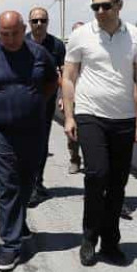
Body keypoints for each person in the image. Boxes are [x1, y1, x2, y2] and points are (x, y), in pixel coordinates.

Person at [62, 0, 137, 267]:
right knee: (97, 174)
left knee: (117, 183)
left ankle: (111, 242)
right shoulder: (81, 35)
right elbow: (69, 77)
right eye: (95, 6)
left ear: (119, 5)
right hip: (91, 115)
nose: (100, 11)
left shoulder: (136, 36)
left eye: (105, 6)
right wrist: (70, 116)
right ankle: (89, 238)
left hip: (124, 118)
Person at [0, 11, 58, 272]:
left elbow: (52, 83)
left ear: (23, 29)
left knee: (27, 180)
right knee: (7, 183)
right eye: (4, 34)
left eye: (15, 33)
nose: (9, 39)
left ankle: (19, 222)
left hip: (32, 128)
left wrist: (32, 103)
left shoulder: (39, 54)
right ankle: (10, 243)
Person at [25, 7, 66, 207]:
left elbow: (64, 73)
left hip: (46, 102)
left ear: (48, 22)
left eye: (43, 20)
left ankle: (37, 182)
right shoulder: (21, 42)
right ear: (29, 23)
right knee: (26, 143)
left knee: (41, 143)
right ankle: (28, 183)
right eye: (35, 21)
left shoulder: (56, 45)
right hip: (24, 103)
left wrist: (63, 96)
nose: (39, 24)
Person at [63, 21, 84, 175]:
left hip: (90, 99)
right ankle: (74, 159)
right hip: (73, 98)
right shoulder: (69, 53)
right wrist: (63, 98)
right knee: (72, 132)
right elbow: (65, 78)